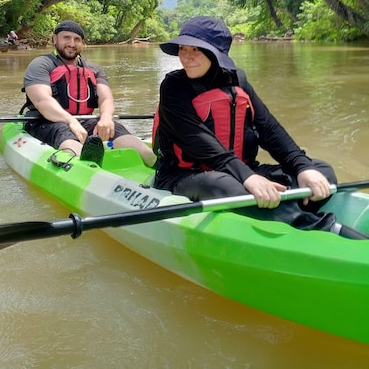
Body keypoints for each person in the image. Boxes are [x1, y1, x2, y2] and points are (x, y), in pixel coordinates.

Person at [154, 16, 366, 239]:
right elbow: (198, 141)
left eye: (196, 49)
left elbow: (269, 129)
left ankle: (276, 212)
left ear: (215, 54)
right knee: (221, 185)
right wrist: (248, 178)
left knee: (323, 171)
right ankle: (320, 228)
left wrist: (303, 167)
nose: (186, 57)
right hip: (185, 176)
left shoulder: (237, 80)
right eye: (182, 48)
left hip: (240, 171)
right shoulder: (173, 87)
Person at [22, 19, 156, 167]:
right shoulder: (41, 64)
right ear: (55, 39)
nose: (72, 44)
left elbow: (106, 98)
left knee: (122, 135)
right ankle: (87, 167)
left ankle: (155, 165)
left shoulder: (93, 68)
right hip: (47, 122)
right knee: (66, 136)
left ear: (82, 43)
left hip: (85, 120)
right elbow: (42, 100)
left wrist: (105, 118)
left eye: (77, 39)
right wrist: (70, 121)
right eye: (66, 38)